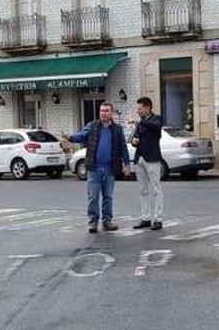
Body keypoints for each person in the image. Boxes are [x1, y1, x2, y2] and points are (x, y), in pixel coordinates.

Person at [62, 103, 131, 233]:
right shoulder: (93, 126)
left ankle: (107, 221)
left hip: (110, 168)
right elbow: (81, 136)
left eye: (106, 111)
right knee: (93, 197)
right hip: (94, 168)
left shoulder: (117, 129)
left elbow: (123, 148)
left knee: (108, 196)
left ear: (111, 113)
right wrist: (70, 137)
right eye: (101, 111)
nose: (103, 113)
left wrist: (126, 165)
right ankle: (93, 222)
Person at [130, 96, 164, 230]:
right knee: (143, 189)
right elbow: (135, 137)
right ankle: (145, 218)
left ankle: (158, 219)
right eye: (137, 109)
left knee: (156, 188)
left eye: (140, 108)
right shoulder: (141, 123)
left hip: (152, 158)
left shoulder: (157, 119)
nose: (138, 111)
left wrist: (139, 122)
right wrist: (134, 141)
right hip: (140, 158)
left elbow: (155, 127)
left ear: (147, 108)